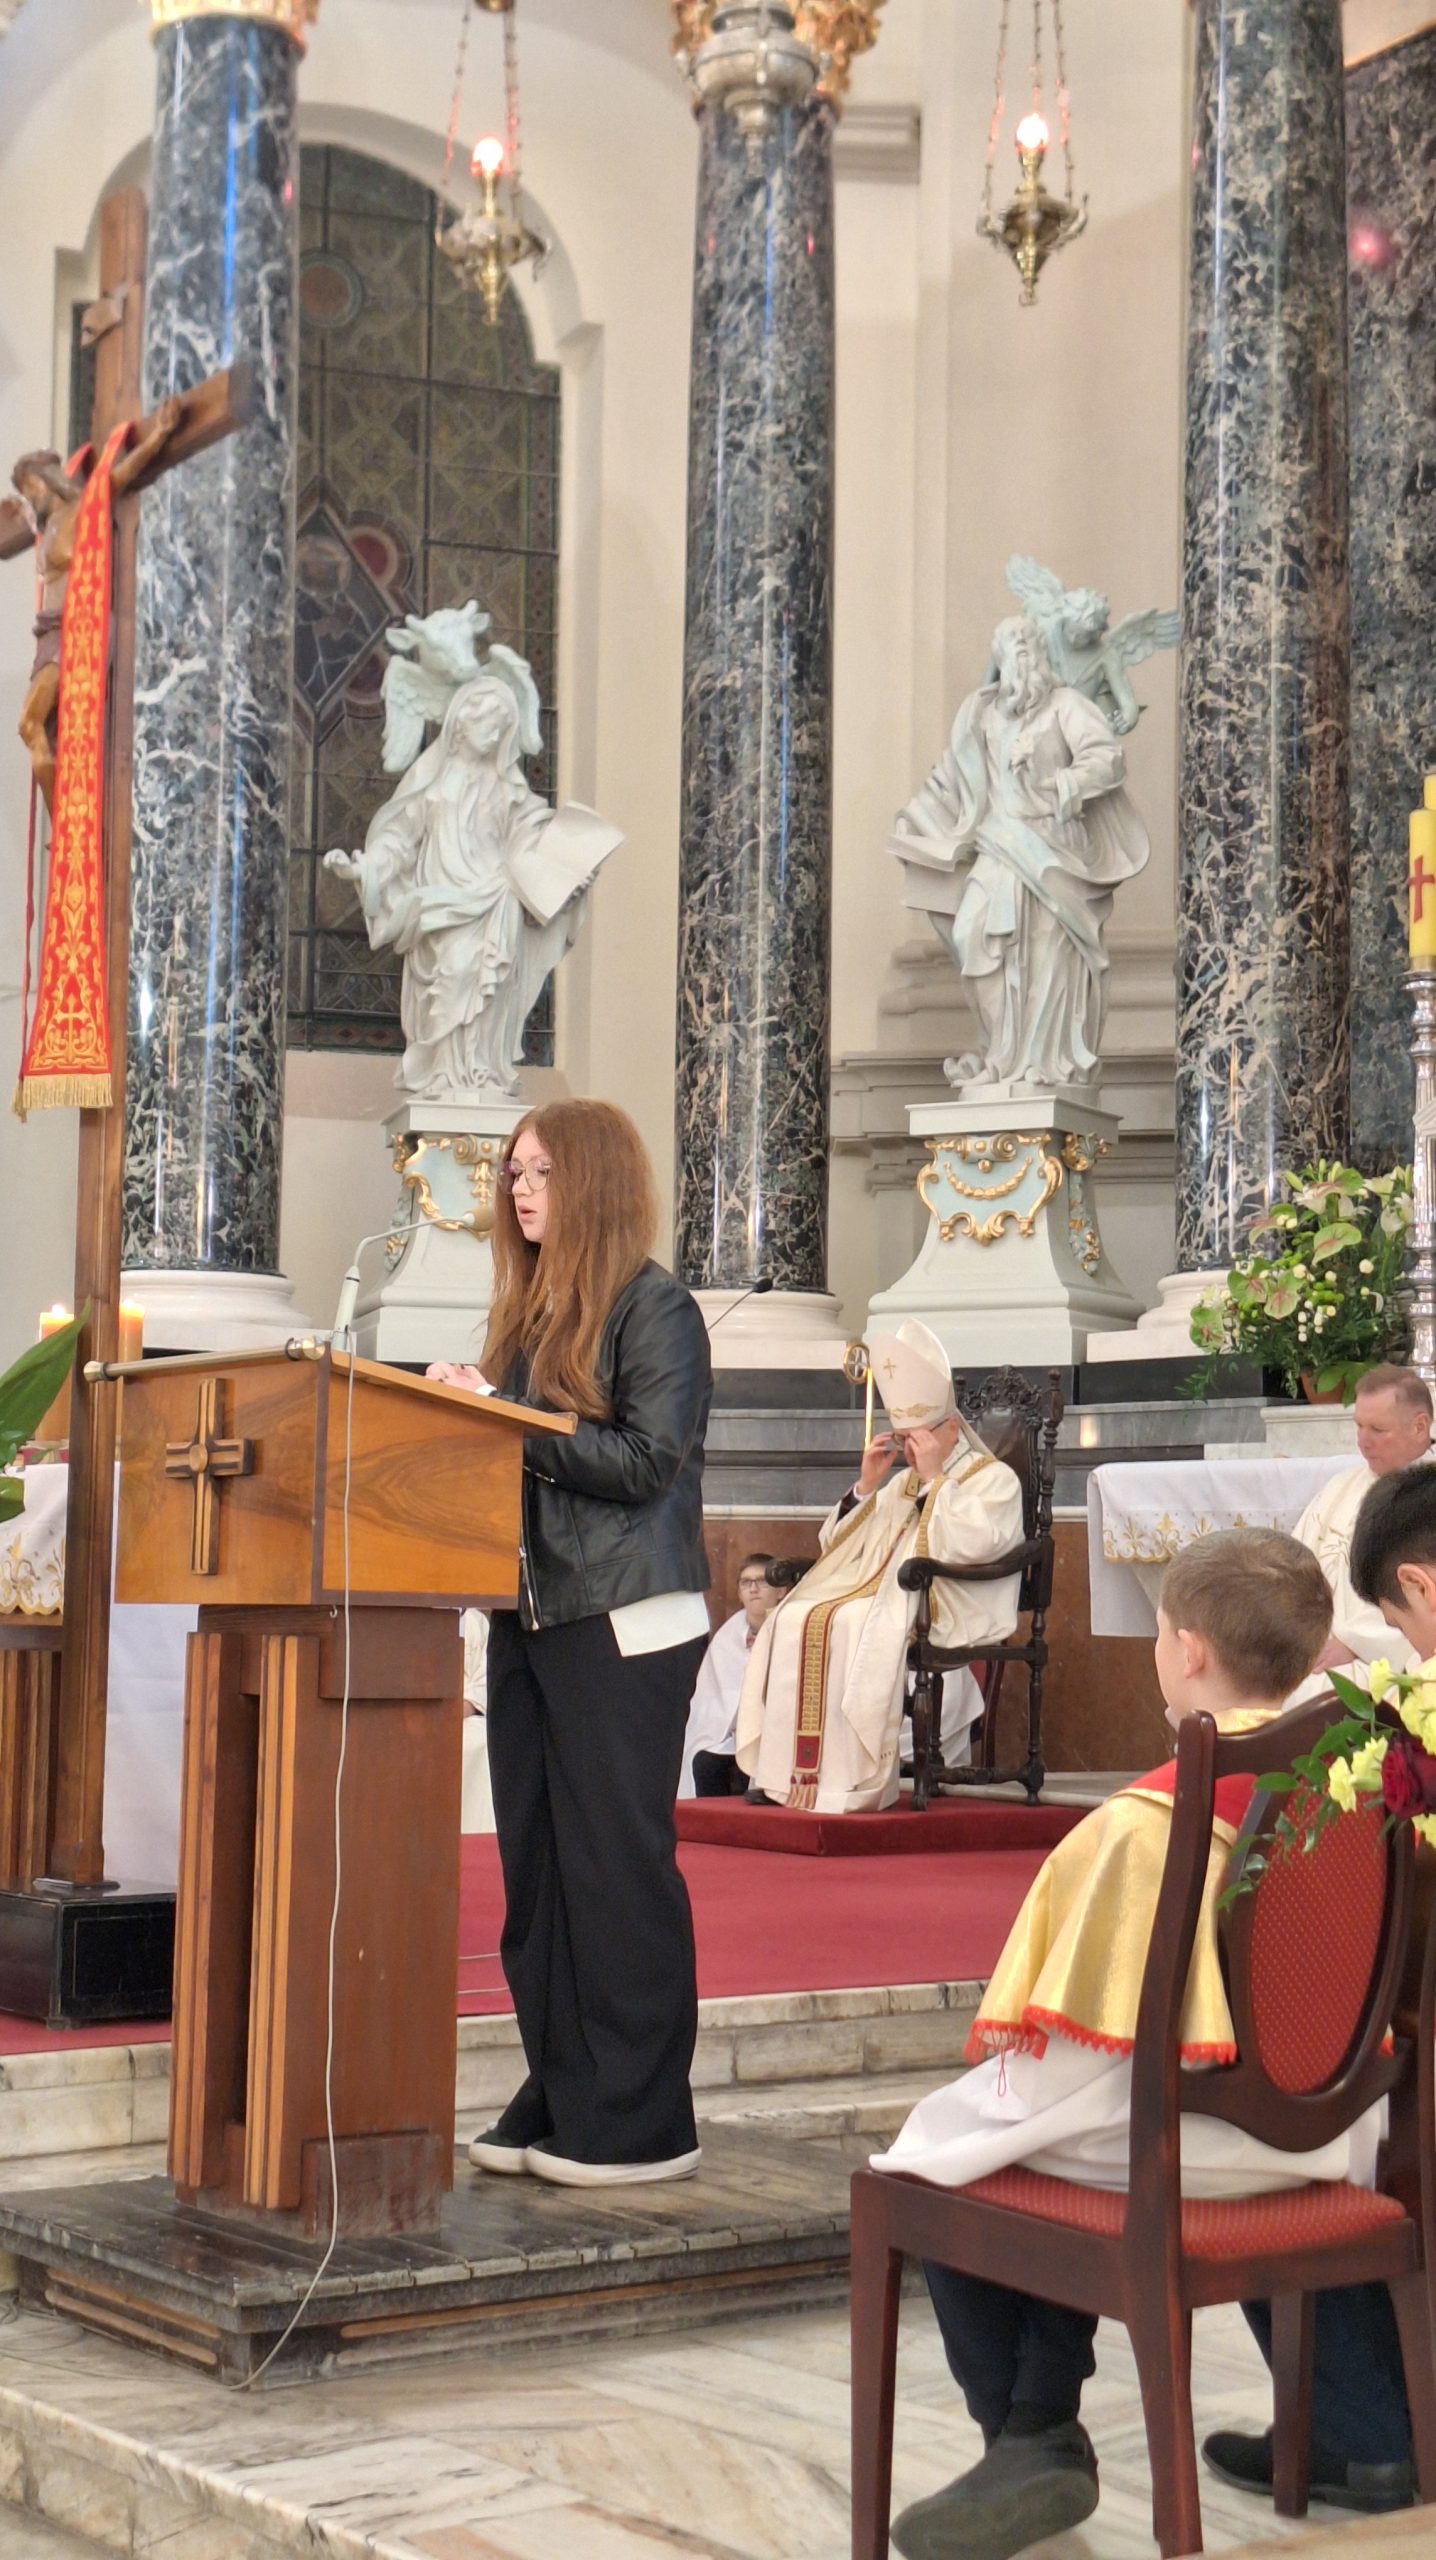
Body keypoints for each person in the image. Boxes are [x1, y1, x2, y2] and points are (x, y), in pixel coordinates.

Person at [870, 1529, 1367, 2560]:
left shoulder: (1151, 1818)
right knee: (1012, 2130)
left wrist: (995, 2102)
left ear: (1188, 1650)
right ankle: (1369, 2434)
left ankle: (1032, 2431)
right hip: (1338, 2135)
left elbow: (1087, 2041)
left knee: (943, 2150)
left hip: (1195, 2151)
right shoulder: (1359, 1775)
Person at [428, 1099, 712, 2188]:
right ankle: (563, 2085)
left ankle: (641, 2118)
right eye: (513, 1172)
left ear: (591, 1178)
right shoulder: (530, 1313)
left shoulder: (656, 1307)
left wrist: (507, 1423)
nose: (519, 1188)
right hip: (530, 1612)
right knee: (538, 1871)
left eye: (540, 1170)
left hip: (623, 1619)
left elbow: (646, 1462)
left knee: (614, 1869)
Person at [1201, 1460, 1436, 2520]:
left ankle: (1363, 2431)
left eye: (1402, 1624)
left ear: (1416, 1587)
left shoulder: (1409, 1725)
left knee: (1276, 2111)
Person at [734, 1322, 1025, 1813]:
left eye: (919, 1438)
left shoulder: (993, 1479)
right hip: (881, 1594)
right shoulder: (901, 1483)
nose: (910, 1451)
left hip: (946, 1600)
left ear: (951, 1430)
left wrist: (935, 1480)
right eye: (904, 1439)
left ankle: (850, 1776)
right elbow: (839, 1547)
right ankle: (786, 1774)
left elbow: (981, 1544)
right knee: (793, 1616)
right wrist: (866, 1485)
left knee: (851, 1622)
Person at [891, 612, 1148, 1095]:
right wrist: (917, 817)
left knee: (1046, 954)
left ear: (1041, 658)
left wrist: (1064, 783)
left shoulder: (1066, 706)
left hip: (1052, 848)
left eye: (1028, 650)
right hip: (997, 844)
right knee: (973, 934)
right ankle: (999, 1055)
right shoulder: (982, 716)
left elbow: (1106, 758)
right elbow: (952, 777)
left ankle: (1041, 1064)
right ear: (1000, 663)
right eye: (1012, 653)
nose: (1022, 663)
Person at [1286, 1363, 1433, 1705]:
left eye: (1378, 1429)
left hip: (1391, 1662)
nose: (1363, 1442)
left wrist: (1353, 1642)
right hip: (1312, 1647)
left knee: (1301, 1695)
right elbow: (1291, 1564)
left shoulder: (1428, 1495)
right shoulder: (1340, 1486)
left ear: (1419, 1426)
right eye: (1359, 1426)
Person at [682, 1555, 779, 1797]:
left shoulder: (791, 1628)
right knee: (704, 1761)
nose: (753, 1589)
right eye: (746, 1582)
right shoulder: (728, 1636)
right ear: (739, 1593)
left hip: (775, 1732)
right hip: (732, 1733)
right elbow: (713, 1697)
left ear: (781, 1590)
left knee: (754, 1766)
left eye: (761, 1581)